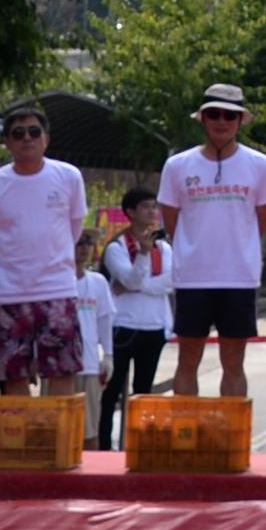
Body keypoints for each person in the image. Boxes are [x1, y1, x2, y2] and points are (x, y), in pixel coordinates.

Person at [159, 83, 266, 401]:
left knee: (234, 363)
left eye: (230, 115)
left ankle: (231, 439)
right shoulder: (177, 165)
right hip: (193, 276)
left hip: (238, 276)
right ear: (202, 118)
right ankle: (186, 439)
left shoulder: (260, 165)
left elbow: (262, 221)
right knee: (188, 360)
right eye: (214, 113)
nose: (222, 121)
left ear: (241, 121)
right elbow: (171, 220)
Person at [0, 102, 91, 397]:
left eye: (34, 132)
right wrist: (14, 261)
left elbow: (74, 226)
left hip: (57, 291)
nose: (27, 139)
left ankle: (58, 441)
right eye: (18, 133)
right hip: (9, 294)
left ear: (46, 138)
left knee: (61, 371)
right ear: (7, 141)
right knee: (14, 374)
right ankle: (21, 442)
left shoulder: (69, 177)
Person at [98, 189, 173, 452]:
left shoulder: (164, 247)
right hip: (124, 326)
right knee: (112, 391)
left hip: (154, 325)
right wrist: (142, 255)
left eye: (155, 207)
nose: (152, 212)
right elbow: (129, 278)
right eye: (146, 207)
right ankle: (105, 447)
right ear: (130, 212)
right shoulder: (117, 247)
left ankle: (139, 446)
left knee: (143, 391)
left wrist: (138, 285)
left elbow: (171, 281)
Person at [75, 231, 115, 413]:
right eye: (79, 243)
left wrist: (107, 355)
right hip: (59, 366)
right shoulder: (55, 281)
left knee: (90, 427)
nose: (84, 248)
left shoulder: (98, 282)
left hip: (89, 363)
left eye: (88, 243)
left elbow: (105, 319)